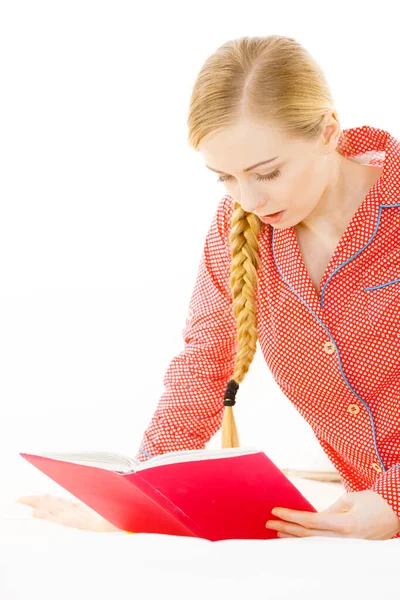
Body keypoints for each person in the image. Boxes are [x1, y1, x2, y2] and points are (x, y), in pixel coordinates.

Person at [17, 35, 400, 540]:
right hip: (357, 519)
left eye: (268, 172)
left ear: (328, 131)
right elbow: (204, 364)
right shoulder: (237, 227)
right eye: (224, 177)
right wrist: (140, 500)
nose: (249, 198)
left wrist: (393, 500)